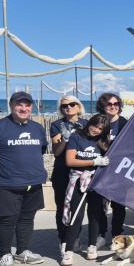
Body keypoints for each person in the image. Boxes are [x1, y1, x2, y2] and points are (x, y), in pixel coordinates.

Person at [0, 91, 48, 266]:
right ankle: (5, 254)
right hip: (6, 183)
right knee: (8, 220)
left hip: (34, 182)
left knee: (27, 219)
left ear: (32, 107)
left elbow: (41, 150)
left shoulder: (37, 128)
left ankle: (22, 251)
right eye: (19, 104)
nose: (24, 108)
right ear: (11, 106)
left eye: (27, 105)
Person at [61, 114, 112, 266]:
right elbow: (70, 161)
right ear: (89, 123)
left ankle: (92, 247)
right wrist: (93, 161)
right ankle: (68, 251)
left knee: (95, 215)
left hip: (96, 181)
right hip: (78, 181)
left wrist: (103, 163)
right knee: (76, 215)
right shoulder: (76, 137)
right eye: (94, 126)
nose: (96, 130)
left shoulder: (104, 142)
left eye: (100, 129)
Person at [50, 95, 87, 257]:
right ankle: (63, 240)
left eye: (72, 104)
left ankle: (75, 238)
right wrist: (65, 139)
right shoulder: (57, 125)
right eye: (65, 106)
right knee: (62, 207)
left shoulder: (86, 124)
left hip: (81, 172)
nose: (69, 108)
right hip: (62, 172)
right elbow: (57, 152)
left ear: (79, 107)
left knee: (77, 208)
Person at [96, 93, 128, 243]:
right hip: (100, 170)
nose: (113, 106)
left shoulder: (125, 123)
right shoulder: (99, 122)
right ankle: (101, 233)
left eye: (116, 104)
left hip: (120, 171)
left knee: (118, 205)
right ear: (103, 106)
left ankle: (117, 233)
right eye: (109, 104)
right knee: (100, 205)